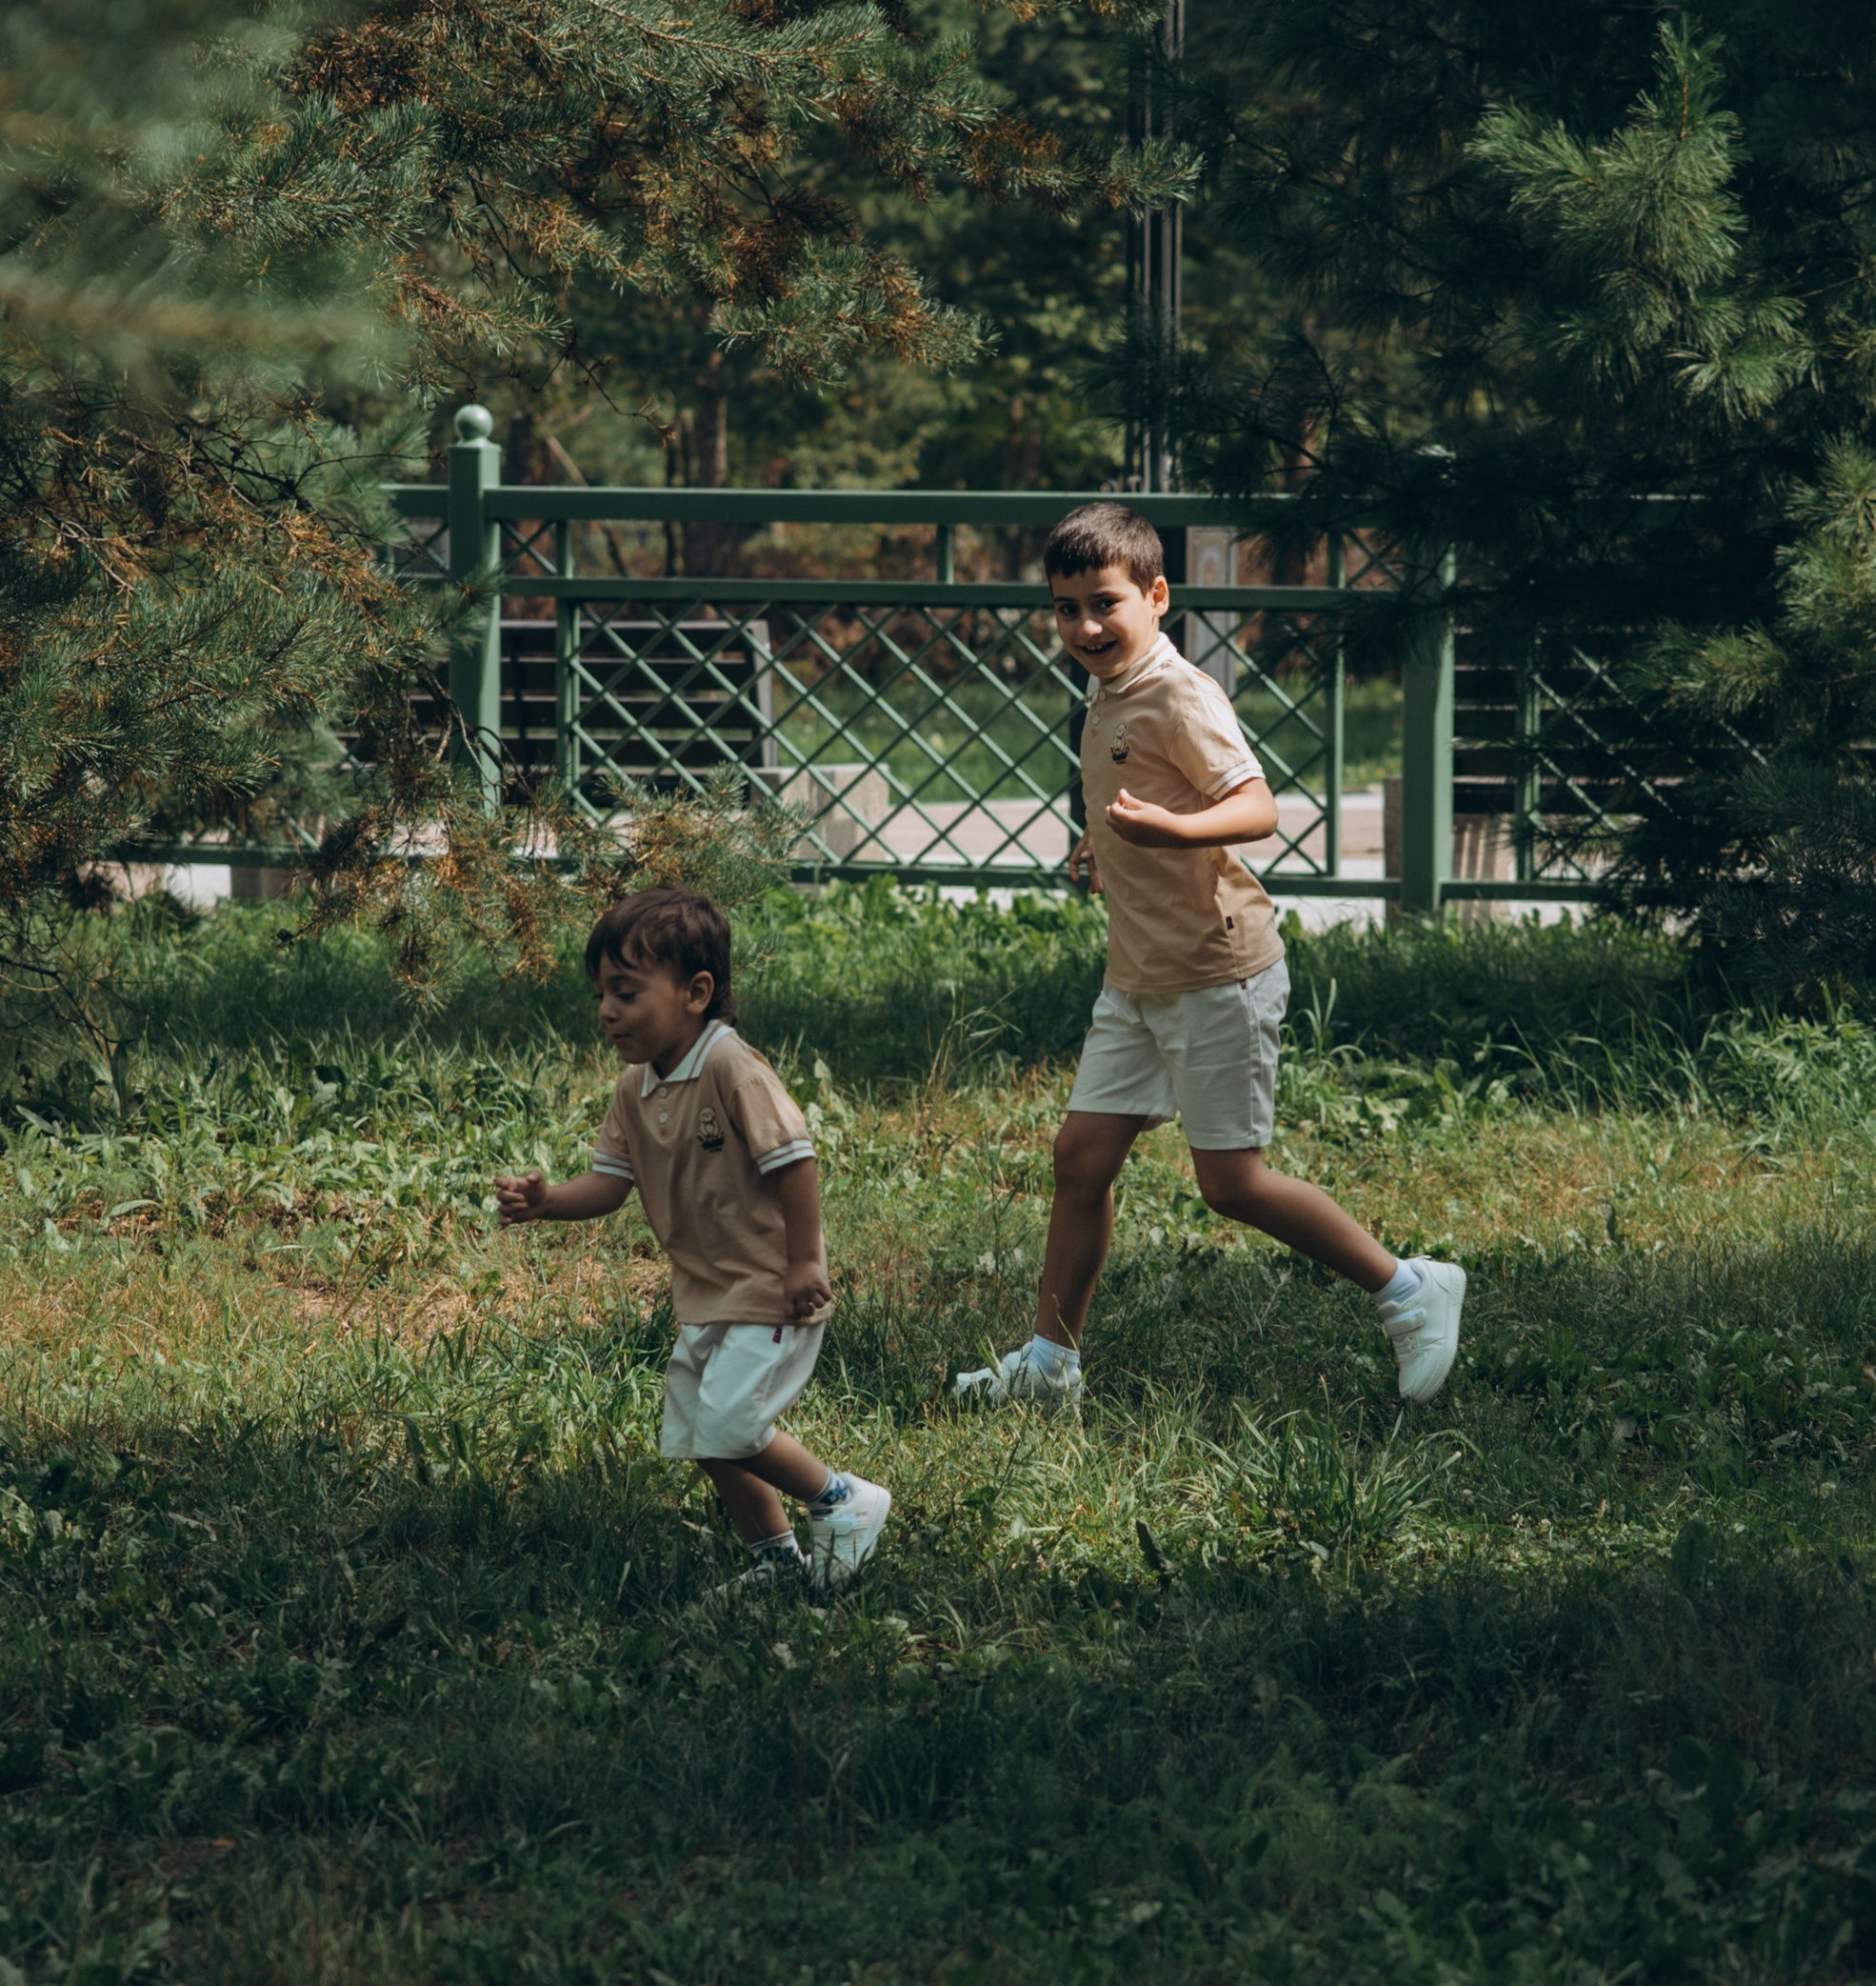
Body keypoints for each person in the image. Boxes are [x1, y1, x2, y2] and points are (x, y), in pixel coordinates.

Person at [957, 501, 1464, 1411]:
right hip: (1139, 974)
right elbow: (1135, 784)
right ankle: (1048, 1367)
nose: (1085, 626)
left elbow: (1259, 807)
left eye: (1104, 603)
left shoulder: (1181, 692)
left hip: (1217, 973)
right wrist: (1102, 845)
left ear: (1157, 596)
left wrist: (1174, 830)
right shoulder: (1112, 688)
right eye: (1066, 608)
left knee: (1230, 1184)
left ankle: (1410, 1288)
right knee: (1081, 1158)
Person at [495, 884, 891, 1590]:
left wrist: (803, 1260)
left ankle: (843, 1499)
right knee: (704, 1439)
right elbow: (610, 1184)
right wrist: (549, 1200)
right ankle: (774, 1559)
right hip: (707, 1294)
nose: (607, 1011)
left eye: (625, 991)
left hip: (771, 1289)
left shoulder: (729, 1064)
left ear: (696, 990)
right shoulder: (634, 1088)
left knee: (732, 1423)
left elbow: (795, 1158)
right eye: (601, 995)